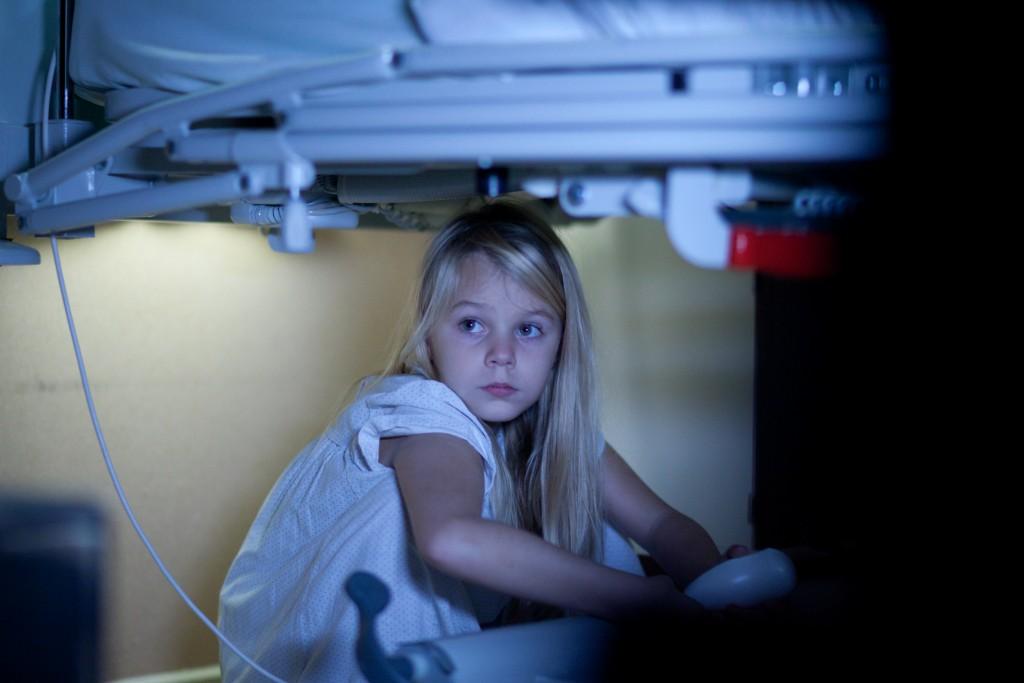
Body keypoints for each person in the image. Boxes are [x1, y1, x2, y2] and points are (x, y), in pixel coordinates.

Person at [218, 200, 747, 682]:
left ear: (562, 344)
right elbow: (451, 538)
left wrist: (718, 584)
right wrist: (637, 602)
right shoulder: (421, 416)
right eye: (472, 324)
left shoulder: (558, 432)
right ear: (429, 334)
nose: (502, 355)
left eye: (529, 329)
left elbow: (660, 524)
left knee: (587, 501)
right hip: (318, 666)